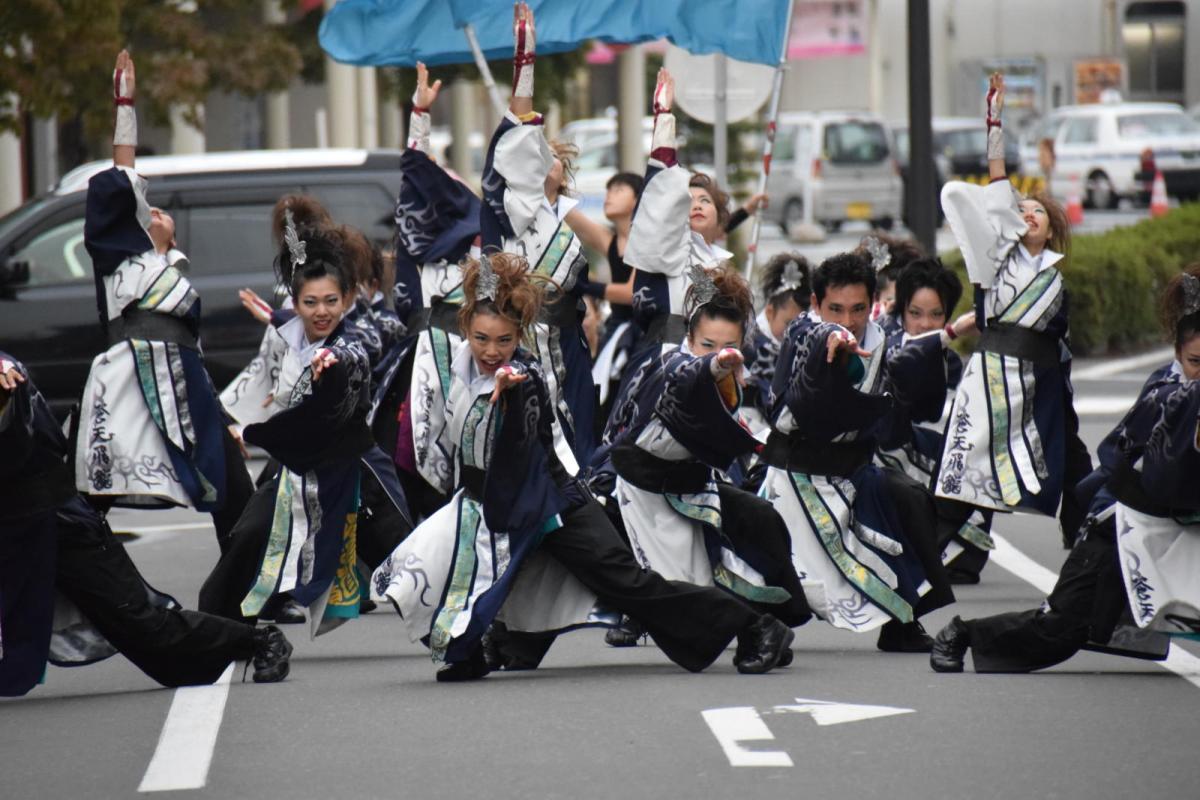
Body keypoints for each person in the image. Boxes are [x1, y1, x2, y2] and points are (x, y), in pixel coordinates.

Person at [371, 252, 795, 682]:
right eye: (482, 338)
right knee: (424, 572)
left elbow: (527, 403)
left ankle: (755, 626)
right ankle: (476, 649)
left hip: (555, 498)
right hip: (490, 498)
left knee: (625, 583)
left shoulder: (526, 372)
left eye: (503, 340)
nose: (492, 351)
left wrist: (511, 388)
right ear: (466, 329)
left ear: (520, 335)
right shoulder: (454, 368)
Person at [931, 267, 1200, 673]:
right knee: (1060, 630)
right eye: (1196, 361)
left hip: (1184, 530)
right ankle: (964, 633)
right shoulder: (1166, 394)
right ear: (1178, 353)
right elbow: (1156, 473)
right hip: (1125, 526)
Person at [0, 352, 292, 697]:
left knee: (145, 629)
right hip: (15, 527)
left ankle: (257, 639)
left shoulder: (7, 377)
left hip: (58, 522)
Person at [74, 50, 253, 554]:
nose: (152, 212)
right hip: (128, 378)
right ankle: (79, 585)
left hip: (186, 381)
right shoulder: (119, 263)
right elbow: (121, 182)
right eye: (143, 209)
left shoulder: (172, 272)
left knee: (233, 486)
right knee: (91, 490)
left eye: (159, 212)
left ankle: (243, 597)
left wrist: (222, 414)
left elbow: (191, 349)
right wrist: (125, 103)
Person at [198, 223, 412, 635]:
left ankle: (466, 633)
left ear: (348, 299)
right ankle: (214, 630)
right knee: (249, 537)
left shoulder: (351, 342)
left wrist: (330, 369)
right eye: (310, 302)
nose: (322, 311)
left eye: (332, 301)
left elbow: (353, 358)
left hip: (355, 467)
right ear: (295, 304)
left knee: (404, 558)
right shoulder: (286, 335)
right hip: (295, 466)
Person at [758, 252, 960, 652]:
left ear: (872, 306)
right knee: (781, 579)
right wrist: (830, 348)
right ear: (815, 305)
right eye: (835, 309)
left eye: (857, 309)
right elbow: (801, 392)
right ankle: (761, 630)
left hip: (851, 470)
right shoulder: (805, 333)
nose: (848, 320)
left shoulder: (880, 337)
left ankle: (902, 622)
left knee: (908, 499)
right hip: (798, 474)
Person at [600, 265, 811, 646]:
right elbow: (685, 379)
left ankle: (770, 621)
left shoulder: (736, 379)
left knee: (759, 519)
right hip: (639, 491)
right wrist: (712, 365)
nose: (719, 355)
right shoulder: (669, 365)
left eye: (728, 346)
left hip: (695, 488)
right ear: (689, 339)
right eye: (707, 345)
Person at [934, 72, 1094, 546]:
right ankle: (937, 544)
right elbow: (999, 181)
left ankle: (1083, 536)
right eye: (1022, 210)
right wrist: (994, 121)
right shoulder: (997, 257)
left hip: (1041, 374)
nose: (1028, 215)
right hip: (992, 373)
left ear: (1052, 229)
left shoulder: (1055, 274)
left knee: (1072, 455)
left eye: (1038, 213)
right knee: (965, 463)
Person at [479, 3, 599, 469]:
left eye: (549, 155)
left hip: (569, 350)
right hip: (520, 347)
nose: (539, 157)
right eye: (533, 153)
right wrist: (524, 62)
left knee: (580, 444)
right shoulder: (504, 217)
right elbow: (510, 149)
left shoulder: (566, 227)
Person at [368, 60, 482, 524]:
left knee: (465, 460)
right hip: (414, 365)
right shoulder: (414, 251)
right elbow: (415, 180)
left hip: (471, 358)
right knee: (405, 460)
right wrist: (418, 118)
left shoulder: (482, 252)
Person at [602, 66, 738, 444]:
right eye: (689, 200)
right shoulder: (673, 253)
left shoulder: (721, 266)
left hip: (711, 367)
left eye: (705, 201)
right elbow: (663, 199)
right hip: (661, 361)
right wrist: (664, 124)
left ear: (720, 219)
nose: (695, 206)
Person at [874, 258, 995, 584]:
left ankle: (950, 554)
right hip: (880, 449)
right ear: (900, 311)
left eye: (936, 315)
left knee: (976, 460)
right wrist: (950, 332)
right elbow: (903, 362)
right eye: (915, 313)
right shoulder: (884, 337)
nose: (925, 324)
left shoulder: (950, 360)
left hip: (922, 448)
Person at [742, 253, 811, 438]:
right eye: (789, 323)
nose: (796, 330)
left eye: (801, 324)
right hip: (753, 428)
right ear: (770, 311)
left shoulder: (806, 342)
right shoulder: (748, 345)